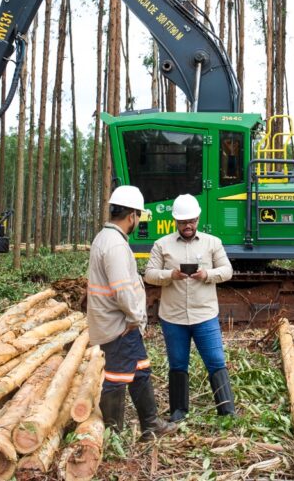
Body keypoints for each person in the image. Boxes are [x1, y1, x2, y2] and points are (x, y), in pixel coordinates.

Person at [87, 185, 176, 440]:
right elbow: (122, 289)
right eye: (139, 216)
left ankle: (150, 424)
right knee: (116, 377)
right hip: (119, 324)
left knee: (140, 369)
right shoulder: (114, 245)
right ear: (132, 216)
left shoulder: (106, 238)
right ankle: (112, 434)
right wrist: (135, 318)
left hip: (116, 321)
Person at [144, 193, 235, 421]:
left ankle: (227, 411)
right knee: (177, 363)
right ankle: (178, 411)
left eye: (192, 221)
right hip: (173, 317)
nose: (188, 226)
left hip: (205, 315)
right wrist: (170, 275)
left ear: (198, 219)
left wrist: (207, 274)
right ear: (176, 221)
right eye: (184, 222)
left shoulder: (212, 243)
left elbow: (227, 271)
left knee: (216, 361)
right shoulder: (161, 245)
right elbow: (149, 274)